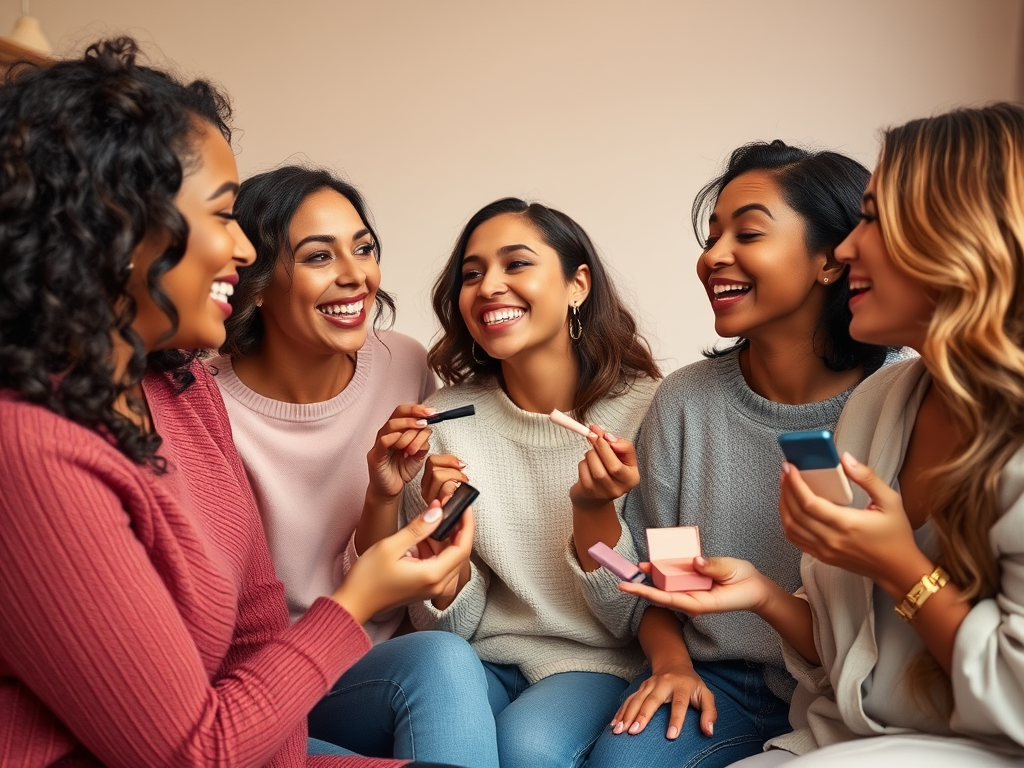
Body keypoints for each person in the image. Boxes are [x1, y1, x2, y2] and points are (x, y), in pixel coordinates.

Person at [0, 38, 469, 768]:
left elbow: (252, 632)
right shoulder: (27, 450)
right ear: (121, 228)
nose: (244, 250)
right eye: (222, 216)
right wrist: (355, 601)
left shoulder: (179, 389)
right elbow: (196, 752)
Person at [619, 104, 1024, 767]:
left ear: (960, 234)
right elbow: (849, 660)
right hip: (841, 731)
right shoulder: (881, 404)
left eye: (873, 218)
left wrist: (901, 566)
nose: (846, 247)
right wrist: (762, 594)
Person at [585, 141, 897, 768]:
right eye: (711, 235)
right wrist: (672, 667)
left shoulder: (895, 397)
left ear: (831, 260)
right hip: (720, 680)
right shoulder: (686, 403)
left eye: (747, 233)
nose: (712, 257)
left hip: (854, 691)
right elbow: (663, 578)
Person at [208, 166, 498, 768]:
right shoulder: (204, 406)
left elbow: (391, 594)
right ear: (257, 283)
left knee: (441, 661)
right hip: (268, 678)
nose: (355, 275)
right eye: (319, 256)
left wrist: (387, 501)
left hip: (373, 664)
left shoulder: (402, 363)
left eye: (363, 248)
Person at [400, 197, 662, 767]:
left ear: (578, 285)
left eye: (516, 264)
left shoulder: (651, 411)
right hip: (477, 661)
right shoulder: (447, 420)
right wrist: (445, 550)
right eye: (472, 274)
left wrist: (595, 515)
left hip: (598, 662)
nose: (489, 286)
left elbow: (649, 598)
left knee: (527, 747)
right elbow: (445, 622)